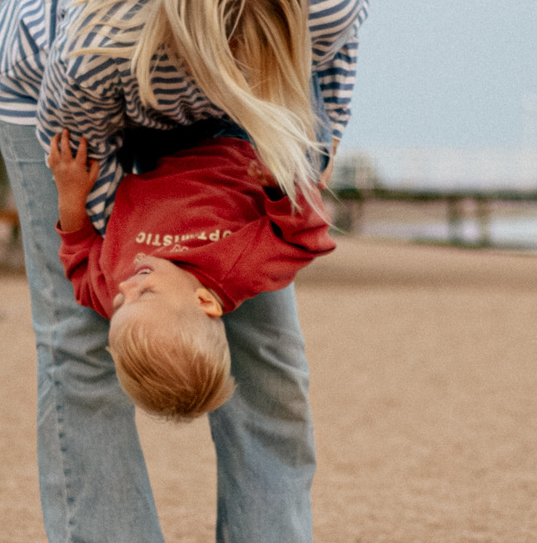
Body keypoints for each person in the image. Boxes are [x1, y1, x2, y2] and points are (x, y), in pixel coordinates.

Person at [0, 0, 385, 543]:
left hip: (241, 137)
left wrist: (282, 173)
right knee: (82, 344)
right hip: (75, 108)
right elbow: (89, 212)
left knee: (269, 356)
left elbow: (321, 118)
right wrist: (124, 274)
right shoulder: (99, 46)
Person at [47, 122, 336, 422]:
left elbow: (78, 257)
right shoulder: (239, 269)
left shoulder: (115, 291)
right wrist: (280, 186)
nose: (125, 289)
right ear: (204, 302)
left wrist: (70, 196)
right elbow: (304, 238)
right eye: (146, 293)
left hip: (154, 140)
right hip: (235, 135)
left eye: (119, 305)